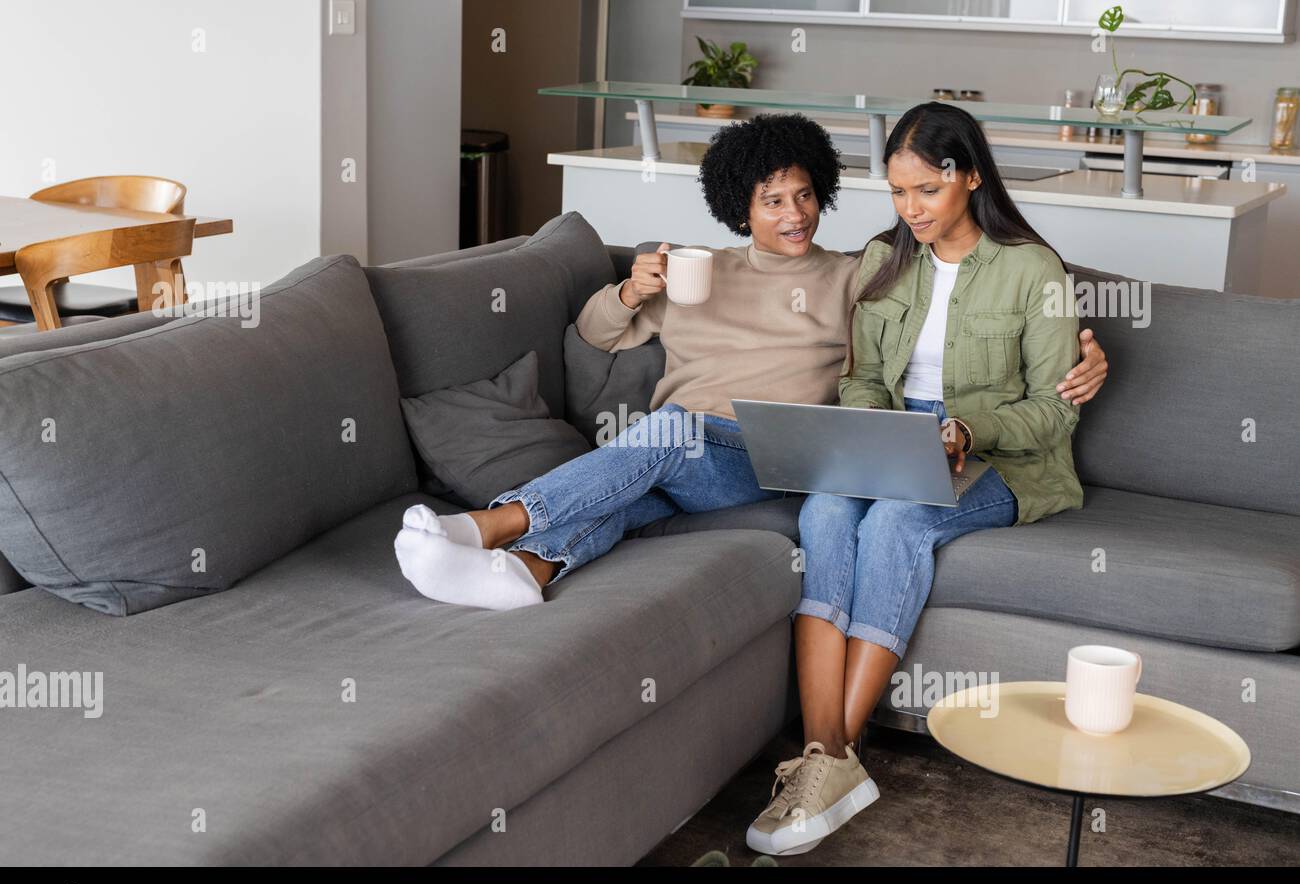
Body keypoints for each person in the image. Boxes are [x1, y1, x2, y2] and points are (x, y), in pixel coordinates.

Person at [393, 112, 1108, 617]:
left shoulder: (860, 274)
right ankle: (528, 568)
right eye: (773, 201)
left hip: (769, 457)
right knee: (638, 482)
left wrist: (1084, 349)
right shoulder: (692, 270)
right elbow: (595, 335)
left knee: (669, 431)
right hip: (678, 462)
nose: (795, 214)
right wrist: (629, 289)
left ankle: (494, 523)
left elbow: (961, 292)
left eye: (804, 195)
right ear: (741, 209)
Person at [745, 101, 1092, 857]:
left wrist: (967, 431)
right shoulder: (881, 259)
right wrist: (878, 428)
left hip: (1005, 459)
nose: (912, 210)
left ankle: (829, 763)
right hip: (898, 440)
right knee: (828, 509)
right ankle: (825, 756)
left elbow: (1053, 413)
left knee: (898, 519)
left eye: (926, 192)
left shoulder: (1034, 268)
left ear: (968, 176)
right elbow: (864, 378)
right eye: (898, 193)